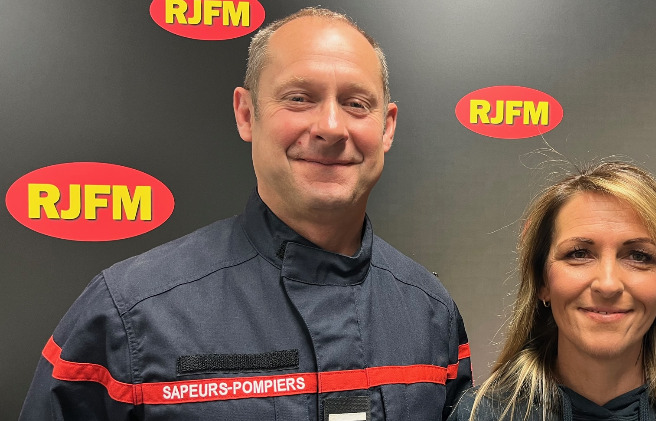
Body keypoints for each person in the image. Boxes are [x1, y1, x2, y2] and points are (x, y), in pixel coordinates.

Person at [20, 7, 471, 420]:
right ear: (246, 113)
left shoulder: (431, 315)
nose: (331, 127)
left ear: (386, 127)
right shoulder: (126, 315)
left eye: (356, 104)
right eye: (299, 98)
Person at [449, 161, 656, 421]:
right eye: (579, 253)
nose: (607, 284)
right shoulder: (481, 414)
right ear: (542, 282)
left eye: (639, 256)